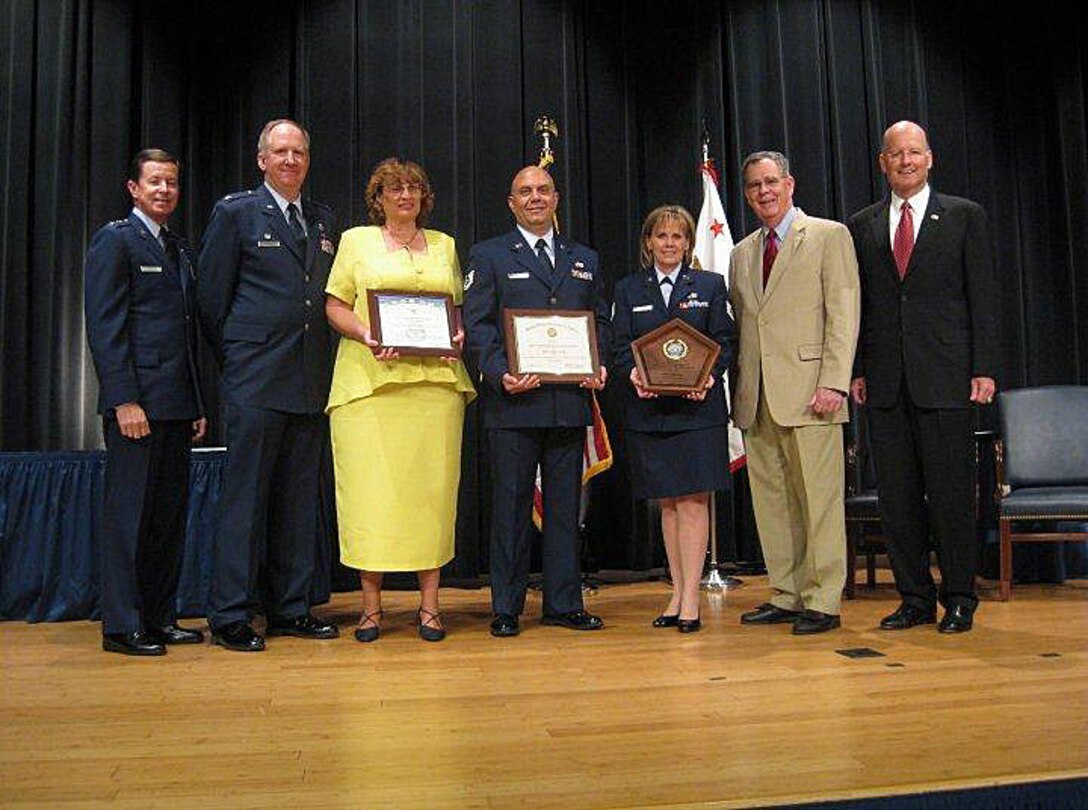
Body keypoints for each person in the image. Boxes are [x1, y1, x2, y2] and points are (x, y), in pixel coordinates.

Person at [848, 121, 1000, 634]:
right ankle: (914, 597)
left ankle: (959, 597)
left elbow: (982, 296)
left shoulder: (963, 216)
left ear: (930, 158)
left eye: (914, 152)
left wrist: (983, 366)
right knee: (898, 498)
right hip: (886, 383)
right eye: (897, 154)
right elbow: (862, 307)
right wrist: (860, 370)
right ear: (882, 162)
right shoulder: (862, 225)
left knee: (952, 495)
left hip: (947, 378)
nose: (906, 161)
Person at [197, 119, 339, 651]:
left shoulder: (322, 219)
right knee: (244, 504)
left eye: (298, 152)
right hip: (255, 380)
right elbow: (211, 301)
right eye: (280, 152)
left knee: (298, 504)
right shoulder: (235, 213)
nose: (290, 160)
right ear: (262, 160)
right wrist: (236, 359)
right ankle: (230, 613)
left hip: (308, 380)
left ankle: (290, 608)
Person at [324, 158, 475, 643]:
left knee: (432, 498)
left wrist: (456, 332)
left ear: (423, 197)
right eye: (394, 188)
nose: (405, 195)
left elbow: (453, 310)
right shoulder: (355, 241)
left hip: (435, 389)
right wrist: (368, 334)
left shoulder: (446, 245)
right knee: (371, 499)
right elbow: (334, 305)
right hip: (369, 388)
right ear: (379, 197)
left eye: (413, 188)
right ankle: (371, 610)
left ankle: (430, 608)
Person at [463, 165, 610, 638]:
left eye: (542, 190)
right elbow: (479, 325)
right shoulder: (487, 256)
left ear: (556, 198)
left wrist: (599, 362)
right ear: (511, 203)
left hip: (568, 401)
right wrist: (499, 371)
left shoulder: (583, 256)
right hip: (513, 403)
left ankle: (563, 603)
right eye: (525, 192)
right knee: (510, 509)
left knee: (566, 508)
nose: (534, 198)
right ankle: (506, 606)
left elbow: (599, 322)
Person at [729, 150, 860, 635]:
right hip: (757, 396)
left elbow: (844, 313)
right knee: (773, 503)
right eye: (754, 186)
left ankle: (823, 600)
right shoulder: (742, 252)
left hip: (812, 393)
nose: (763, 192)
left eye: (770, 182)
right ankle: (786, 593)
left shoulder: (828, 236)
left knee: (819, 503)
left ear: (790, 184)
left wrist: (834, 381)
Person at [84, 148, 207, 655]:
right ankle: (122, 625)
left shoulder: (176, 247)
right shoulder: (116, 241)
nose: (164, 191)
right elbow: (106, 327)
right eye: (154, 182)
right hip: (137, 408)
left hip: (176, 405)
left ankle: (159, 616)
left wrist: (196, 402)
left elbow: (183, 335)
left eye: (172, 183)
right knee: (129, 520)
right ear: (133, 188)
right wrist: (123, 400)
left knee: (166, 521)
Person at [611, 205, 735, 633]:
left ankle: (692, 600)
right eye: (661, 236)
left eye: (678, 237)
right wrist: (633, 373)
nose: (669, 243)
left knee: (693, 502)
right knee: (667, 503)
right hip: (649, 411)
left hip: (698, 411)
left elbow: (725, 342)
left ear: (688, 242)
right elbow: (619, 344)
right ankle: (677, 592)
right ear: (648, 242)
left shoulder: (710, 285)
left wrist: (709, 376)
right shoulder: (628, 289)